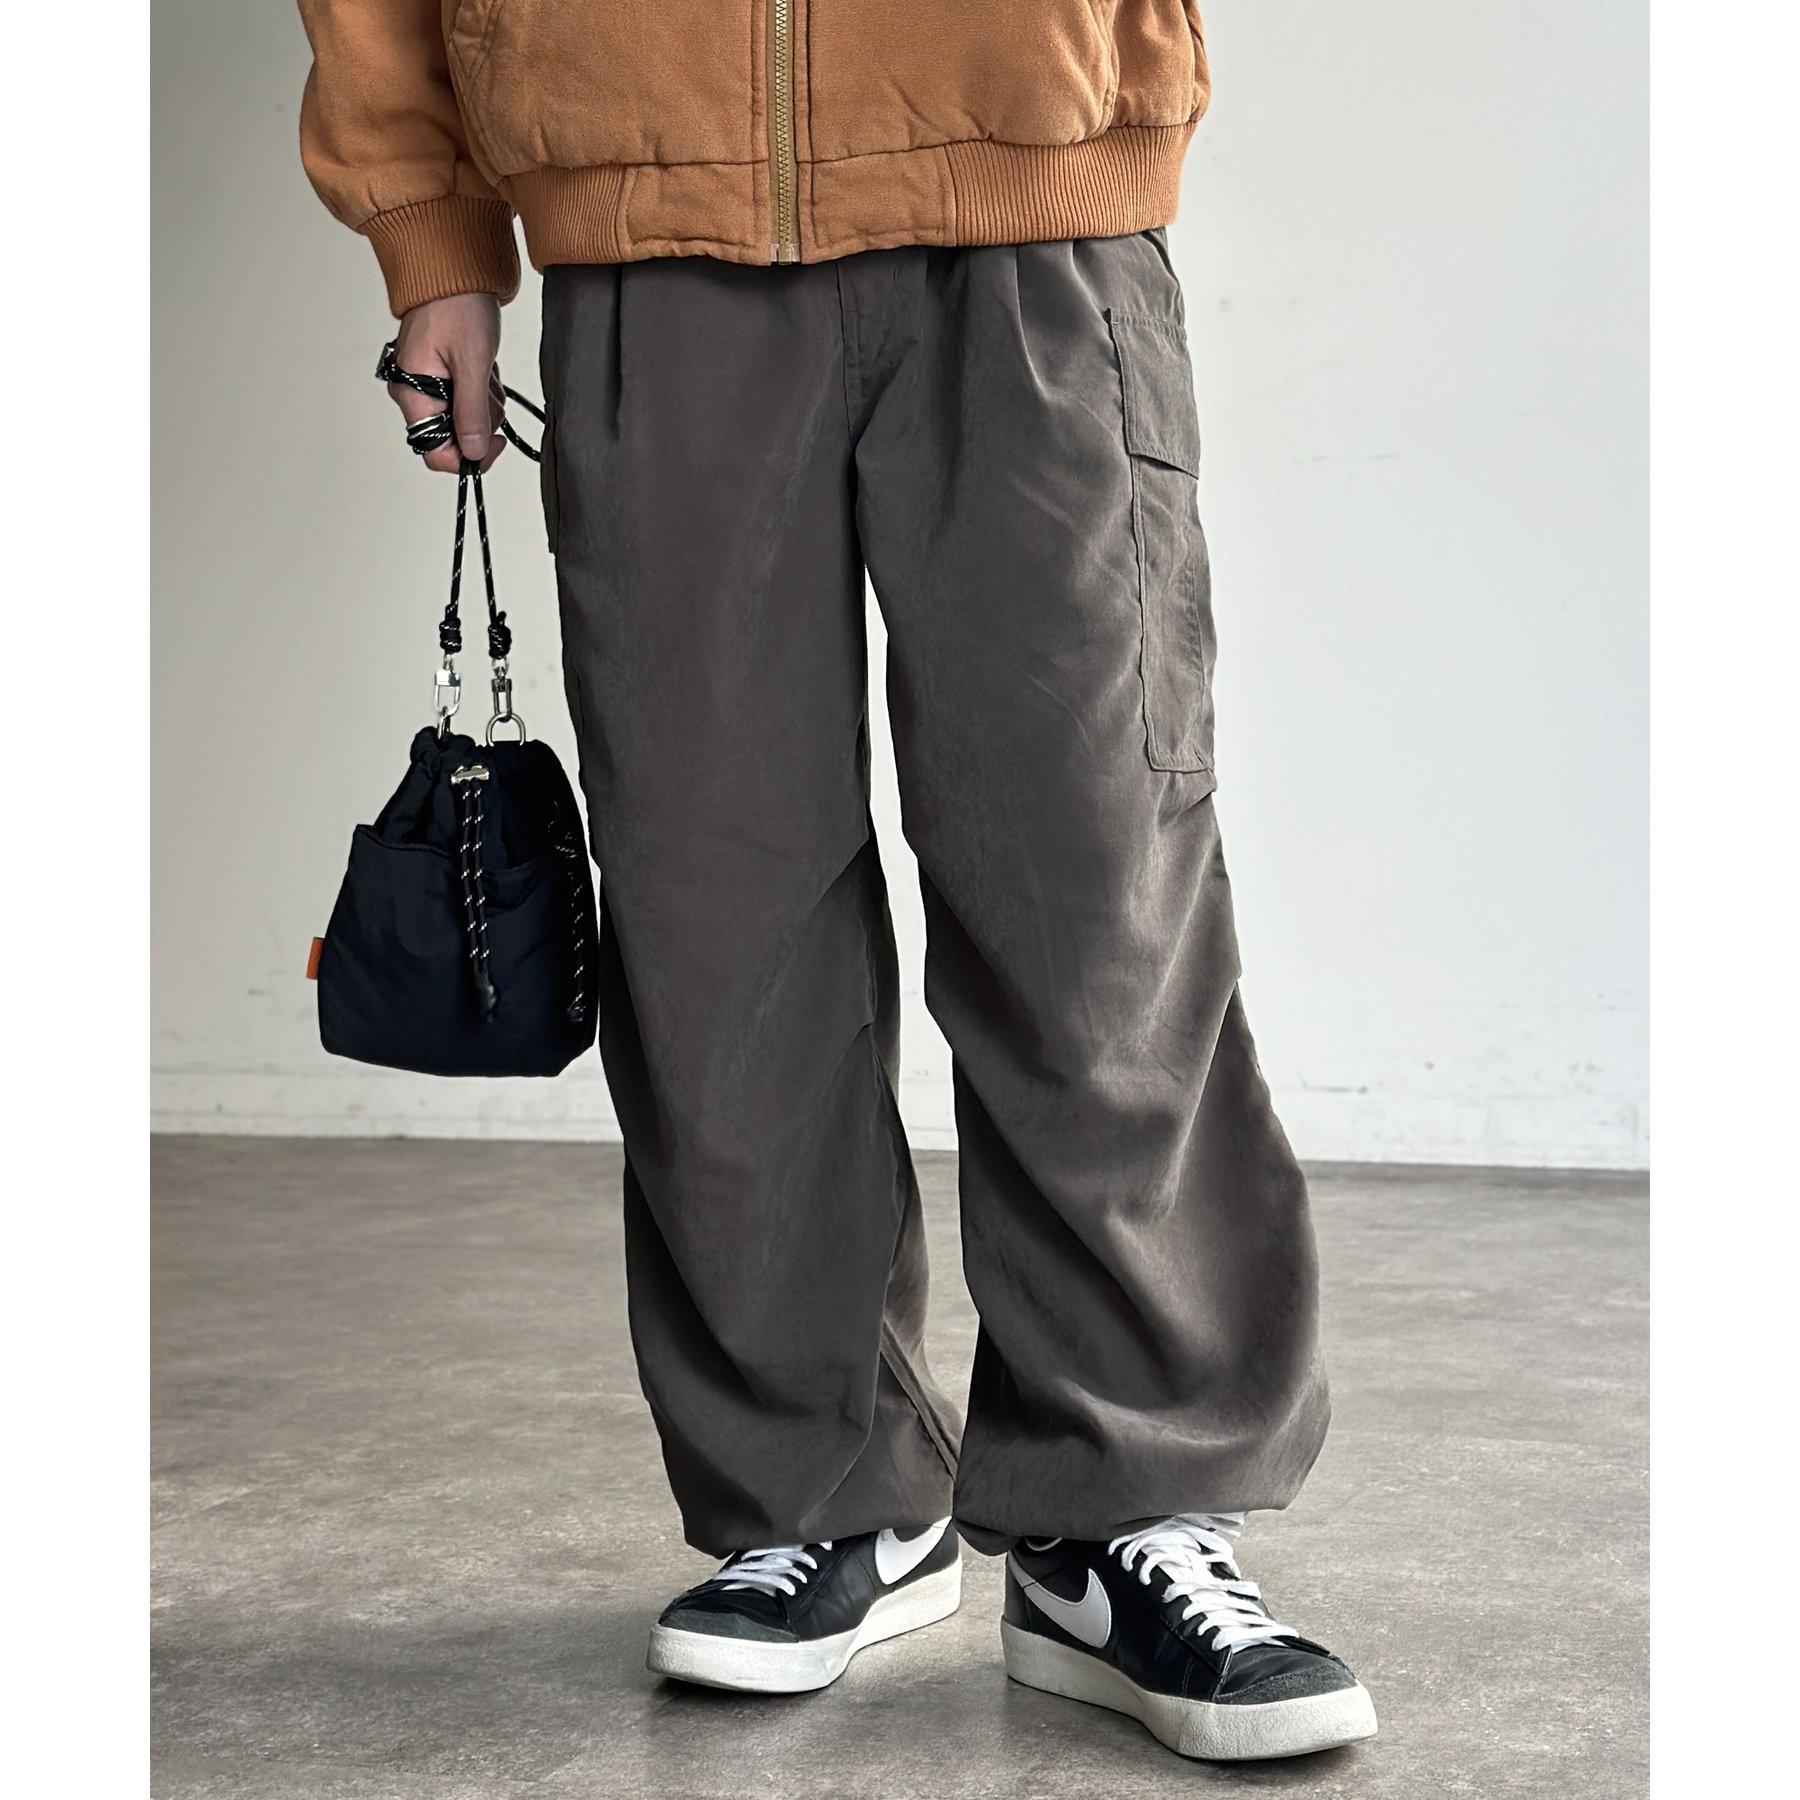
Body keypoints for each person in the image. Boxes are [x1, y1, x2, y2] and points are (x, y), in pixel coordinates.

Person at [296, 0, 1377, 1763]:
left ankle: (1122, 1511)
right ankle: (825, 1493)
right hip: (648, 217)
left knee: (1095, 890)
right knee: (715, 917)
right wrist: (433, 234)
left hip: (1032, 206)